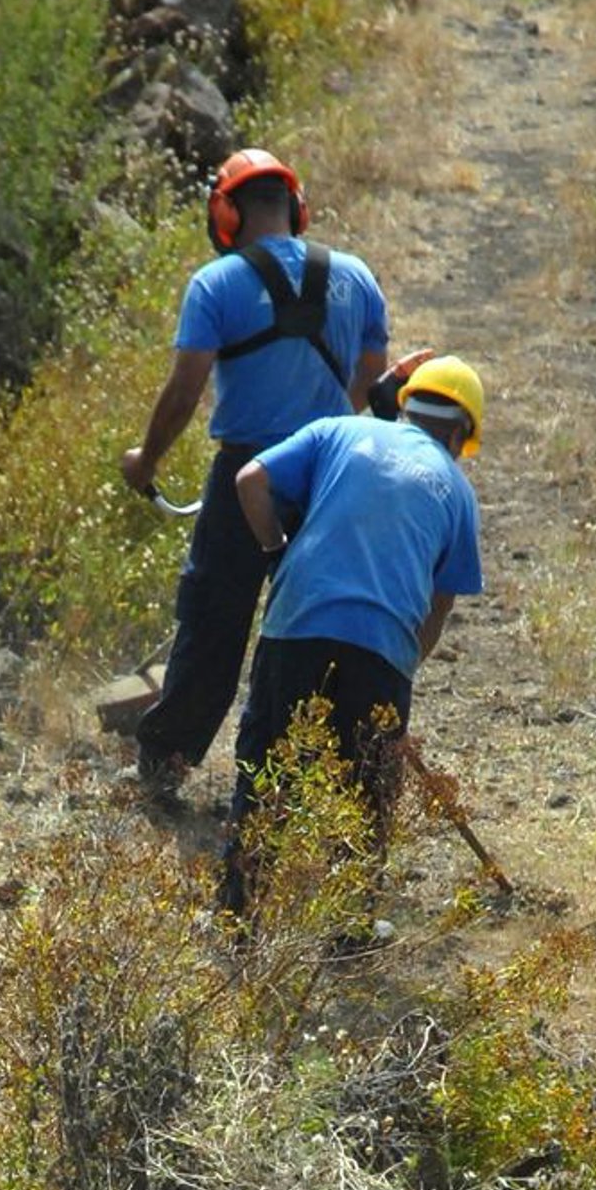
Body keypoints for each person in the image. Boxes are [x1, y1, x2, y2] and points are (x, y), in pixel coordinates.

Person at [119, 148, 392, 794]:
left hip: (246, 472)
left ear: (225, 213)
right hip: (331, 471)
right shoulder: (357, 276)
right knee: (319, 625)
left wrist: (146, 461)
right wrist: (328, 426)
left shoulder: (216, 284)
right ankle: (308, 777)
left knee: (214, 619)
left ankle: (166, 763)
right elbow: (374, 374)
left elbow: (185, 391)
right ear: (296, 208)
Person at [227, 355, 486, 901]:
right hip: (382, 650)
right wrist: (398, 671)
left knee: (267, 772)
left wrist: (275, 552)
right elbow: (439, 606)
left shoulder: (337, 430)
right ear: (460, 432)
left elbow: (250, 480)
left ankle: (240, 912)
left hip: (296, 623)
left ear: (407, 406)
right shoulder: (458, 492)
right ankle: (350, 925)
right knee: (366, 798)